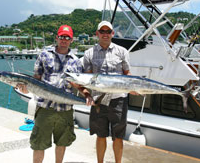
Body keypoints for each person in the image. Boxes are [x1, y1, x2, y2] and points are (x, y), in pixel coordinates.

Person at [18, 25, 93, 163]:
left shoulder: (76, 61)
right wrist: (26, 89)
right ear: (57, 38)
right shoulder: (44, 55)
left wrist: (87, 95)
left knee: (62, 143)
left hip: (65, 110)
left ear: (71, 40)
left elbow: (79, 85)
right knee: (38, 143)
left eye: (67, 37)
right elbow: (36, 79)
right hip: (45, 108)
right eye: (62, 37)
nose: (64, 40)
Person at [83, 21, 137, 163]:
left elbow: (127, 73)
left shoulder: (122, 51)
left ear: (112, 33)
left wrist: (134, 87)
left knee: (118, 136)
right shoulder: (88, 53)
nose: (105, 34)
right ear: (97, 34)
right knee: (100, 135)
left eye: (108, 31)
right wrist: (87, 94)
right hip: (98, 100)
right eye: (102, 31)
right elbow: (88, 77)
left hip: (118, 99)